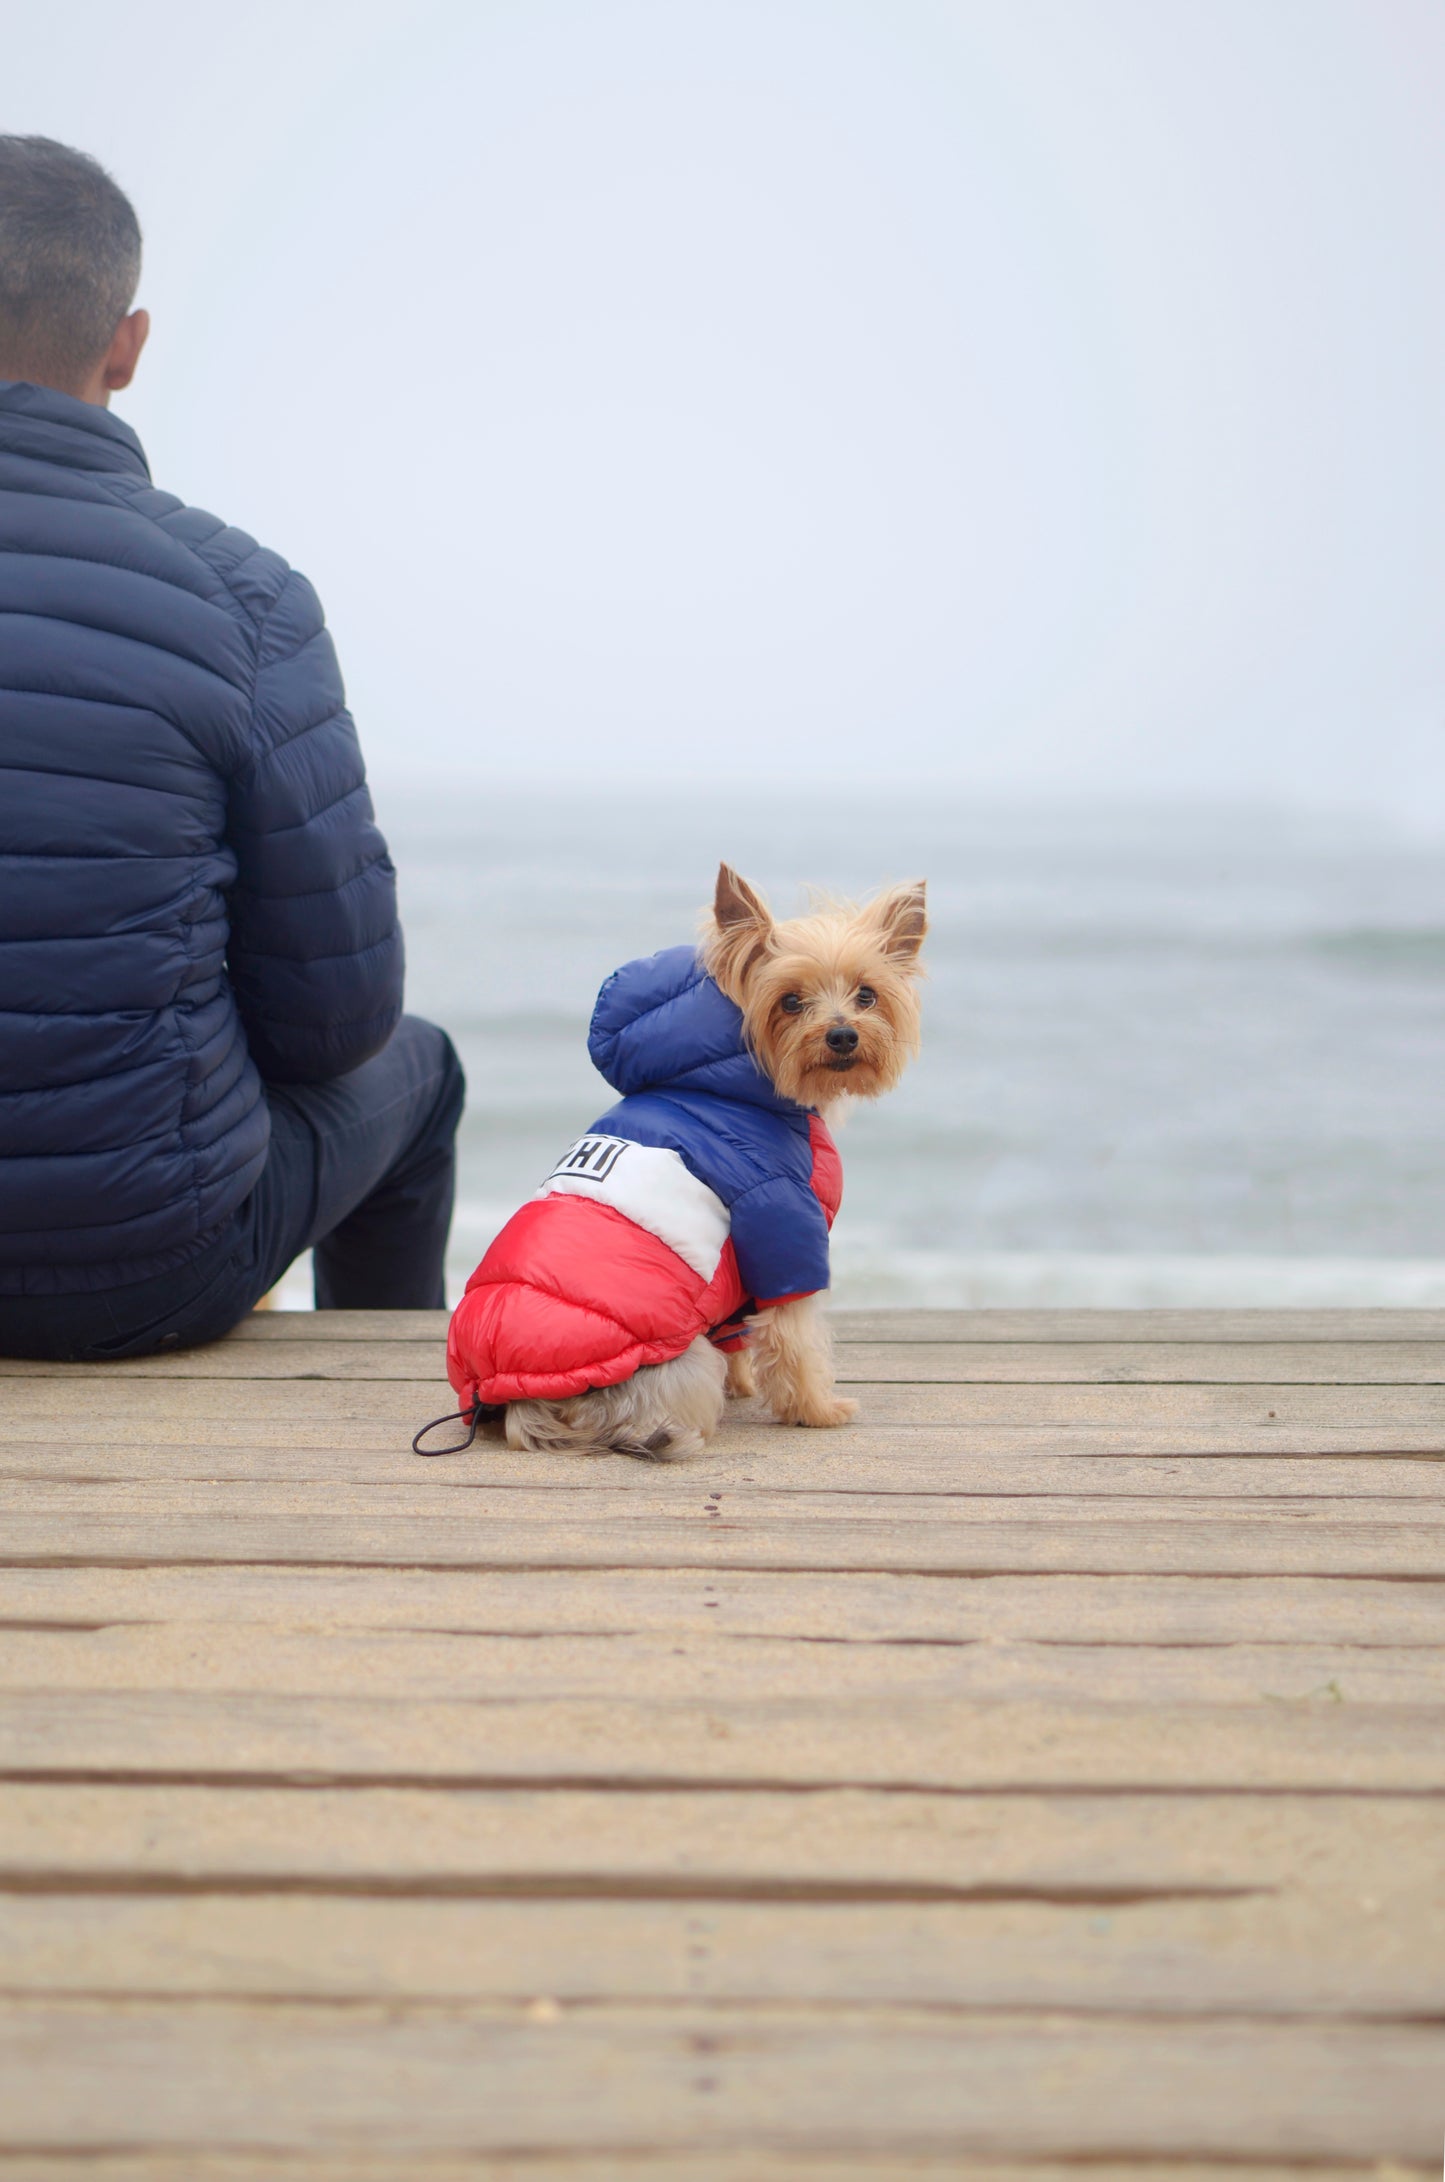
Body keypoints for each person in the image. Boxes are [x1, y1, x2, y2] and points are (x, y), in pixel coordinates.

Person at [0, 136, 464, 1359]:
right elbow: (337, 1021)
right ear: (125, 343)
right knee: (421, 1075)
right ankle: (390, 1429)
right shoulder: (241, 599)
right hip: (141, 1270)